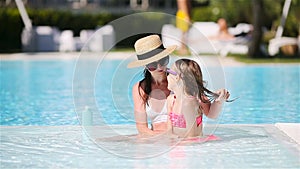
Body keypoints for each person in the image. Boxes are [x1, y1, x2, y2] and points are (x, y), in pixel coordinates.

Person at [127, 34, 231, 137]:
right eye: (153, 65)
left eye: (163, 61)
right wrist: (165, 138)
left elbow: (210, 113)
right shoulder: (140, 88)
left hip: (182, 138)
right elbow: (142, 129)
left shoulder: (181, 80)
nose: (160, 67)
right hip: (158, 138)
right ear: (145, 65)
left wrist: (219, 101)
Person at [166, 59, 230, 138]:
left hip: (193, 142)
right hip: (179, 143)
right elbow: (169, 129)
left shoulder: (197, 99)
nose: (167, 76)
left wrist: (219, 102)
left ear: (177, 77)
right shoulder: (171, 100)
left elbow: (212, 115)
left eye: (169, 73)